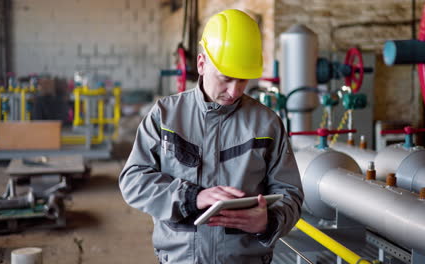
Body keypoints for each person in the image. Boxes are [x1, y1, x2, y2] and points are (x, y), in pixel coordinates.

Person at [119, 9, 303, 264]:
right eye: (226, 79)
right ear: (202, 63)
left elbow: (290, 193)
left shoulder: (267, 124)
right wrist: (192, 197)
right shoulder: (165, 115)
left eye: (243, 81)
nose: (234, 91)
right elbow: (133, 180)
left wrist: (269, 220)